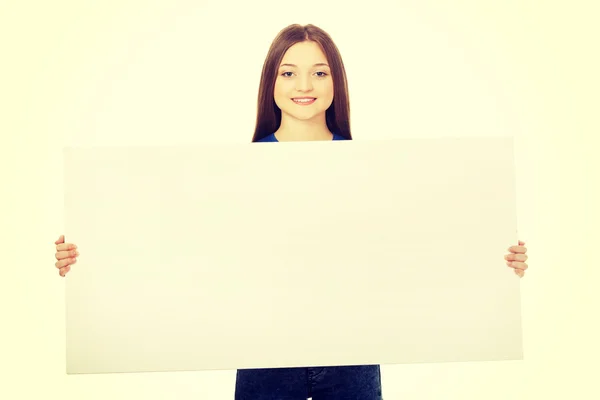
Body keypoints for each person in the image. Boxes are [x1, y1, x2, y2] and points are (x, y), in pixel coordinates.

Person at [53, 24, 530, 400]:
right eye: (289, 71)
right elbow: (175, 249)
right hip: (265, 358)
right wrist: (89, 259)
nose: (305, 84)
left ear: (335, 82)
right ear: (272, 82)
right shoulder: (233, 171)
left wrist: (495, 258)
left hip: (353, 358)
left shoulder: (375, 172)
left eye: (319, 71)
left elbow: (420, 250)